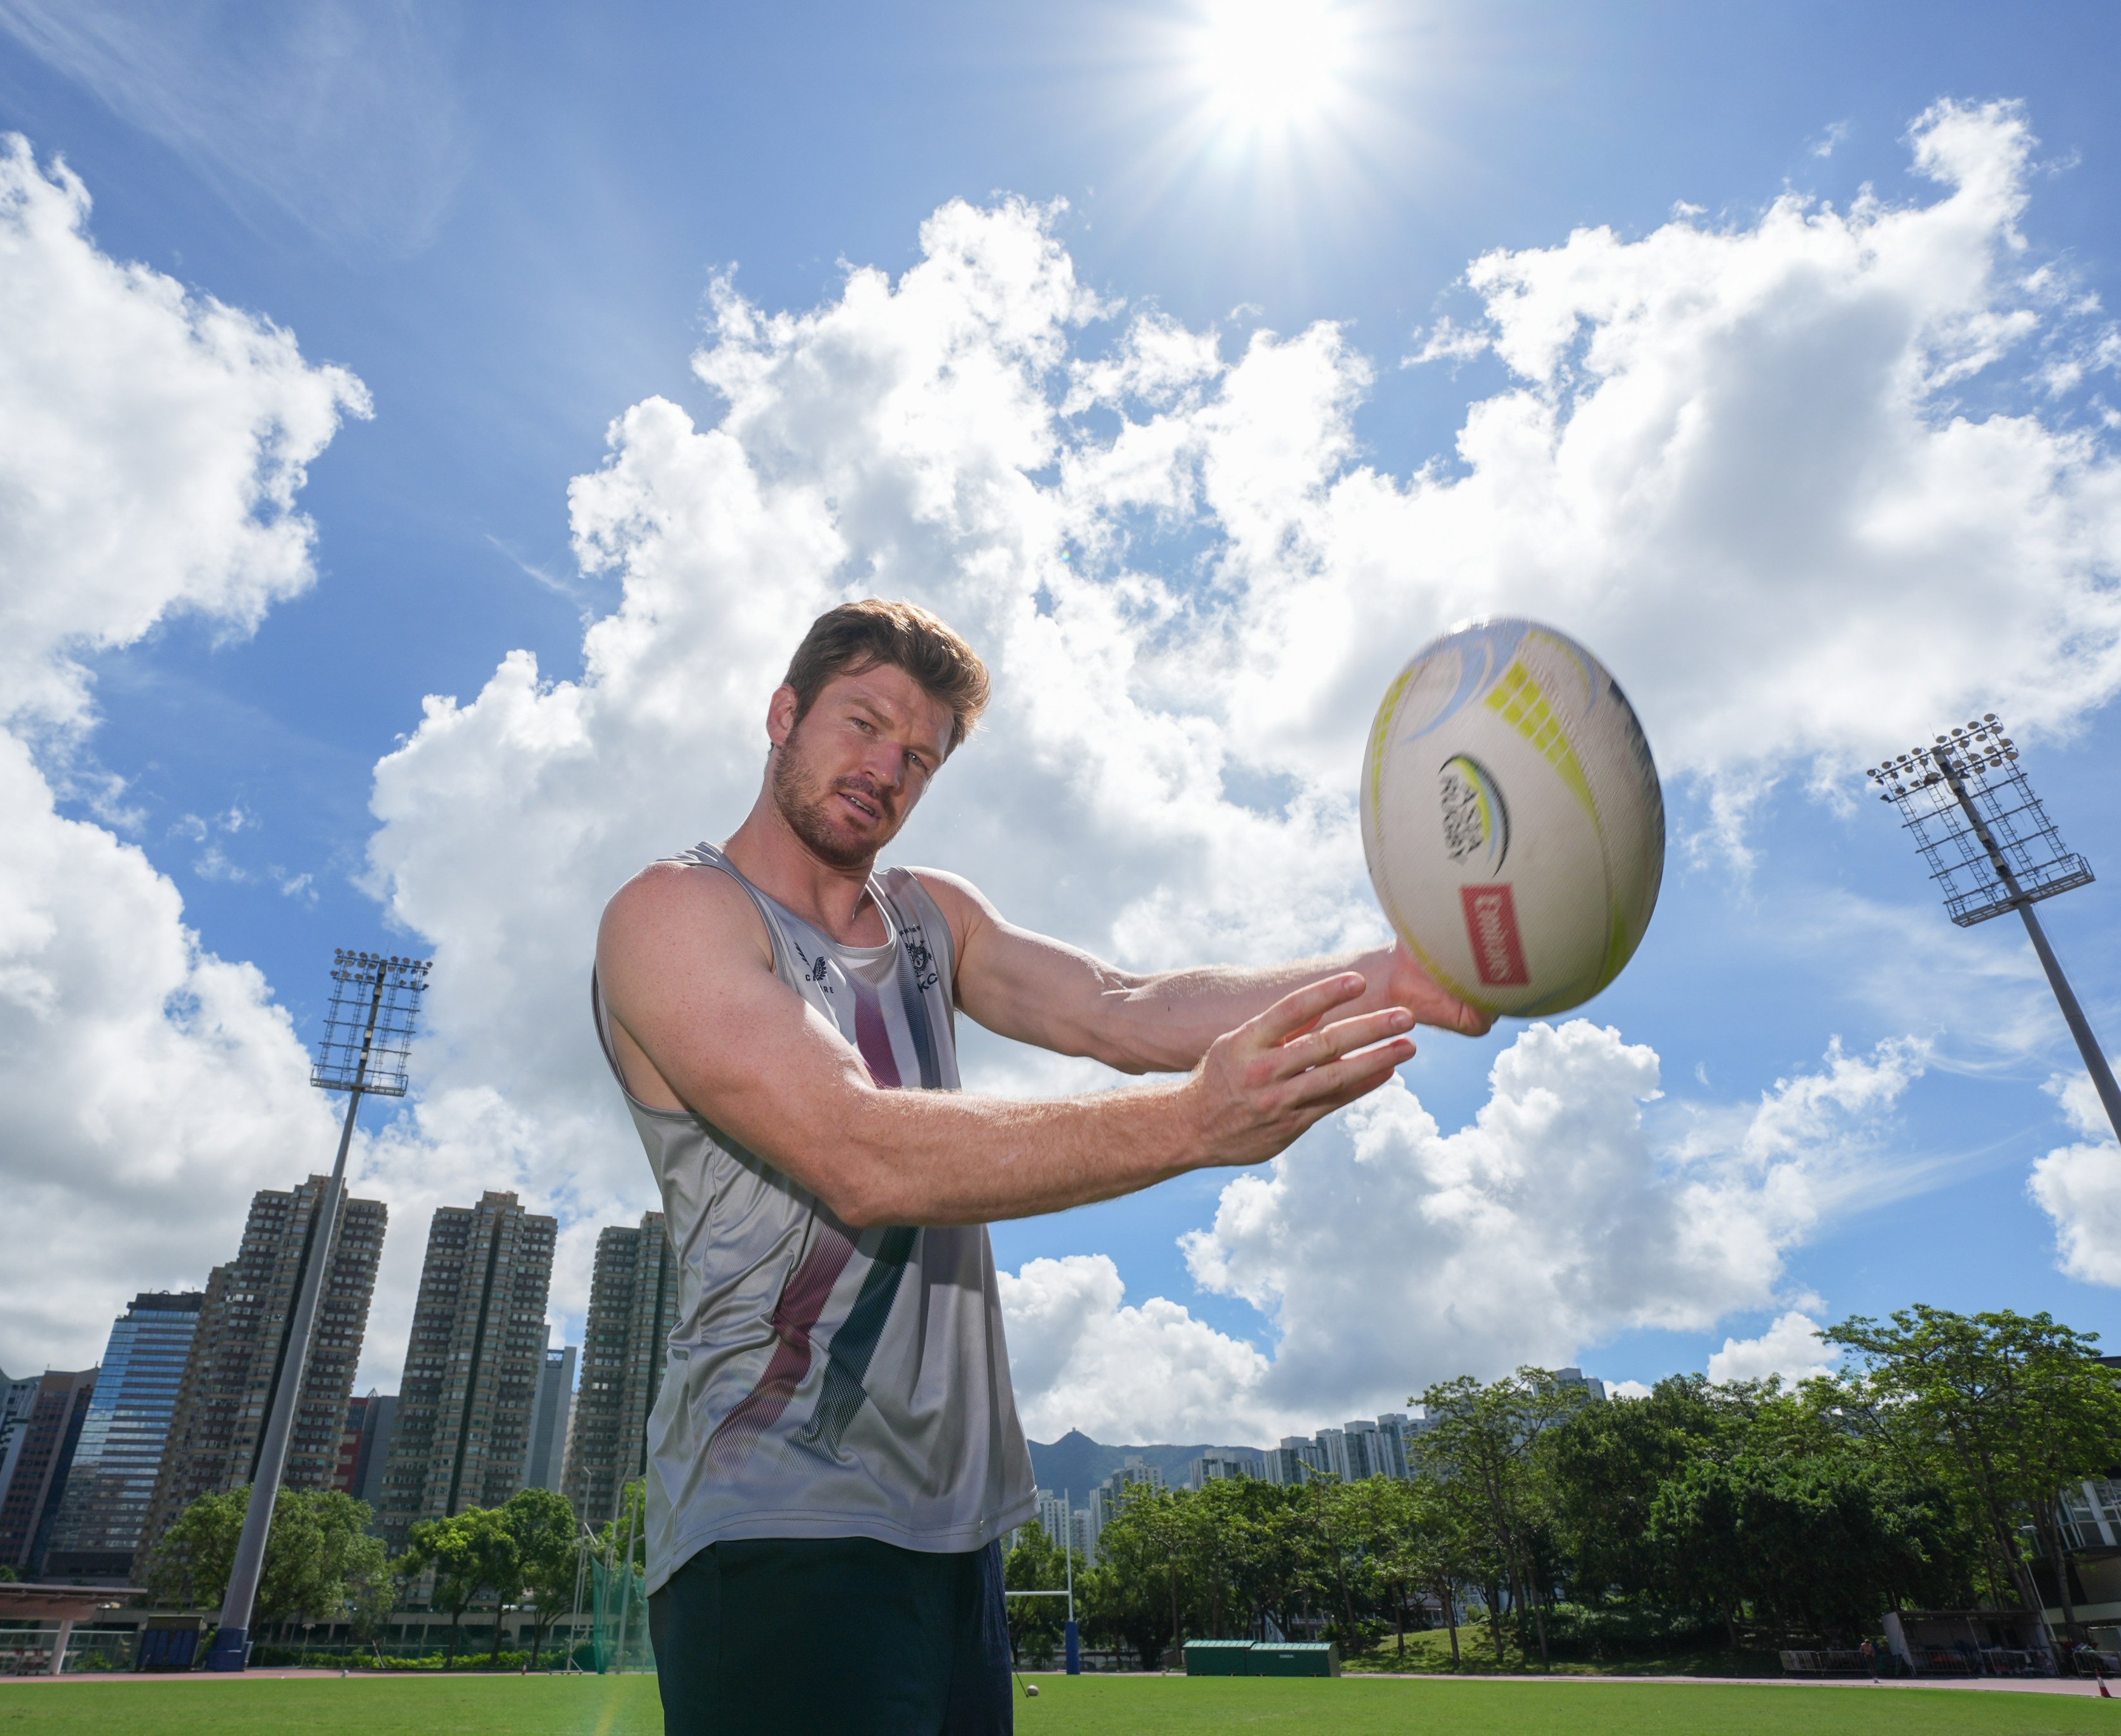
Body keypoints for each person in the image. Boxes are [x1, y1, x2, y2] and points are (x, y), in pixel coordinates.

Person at [594, 600, 1488, 1735]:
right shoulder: (674, 913)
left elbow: (1121, 1006)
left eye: (920, 756)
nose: (886, 769)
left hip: (954, 1532)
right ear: (783, 715)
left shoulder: (931, 915)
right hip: (777, 1514)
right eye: (862, 724)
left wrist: (1391, 975)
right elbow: (856, 1150)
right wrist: (1194, 1123)